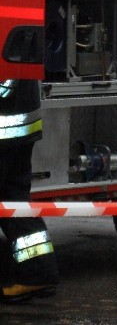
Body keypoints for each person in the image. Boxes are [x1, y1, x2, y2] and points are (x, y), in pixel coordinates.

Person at [0, 79, 59, 303]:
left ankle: (36, 275)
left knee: (13, 204)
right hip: (17, 132)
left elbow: (4, 84)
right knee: (14, 205)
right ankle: (37, 275)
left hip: (6, 134)